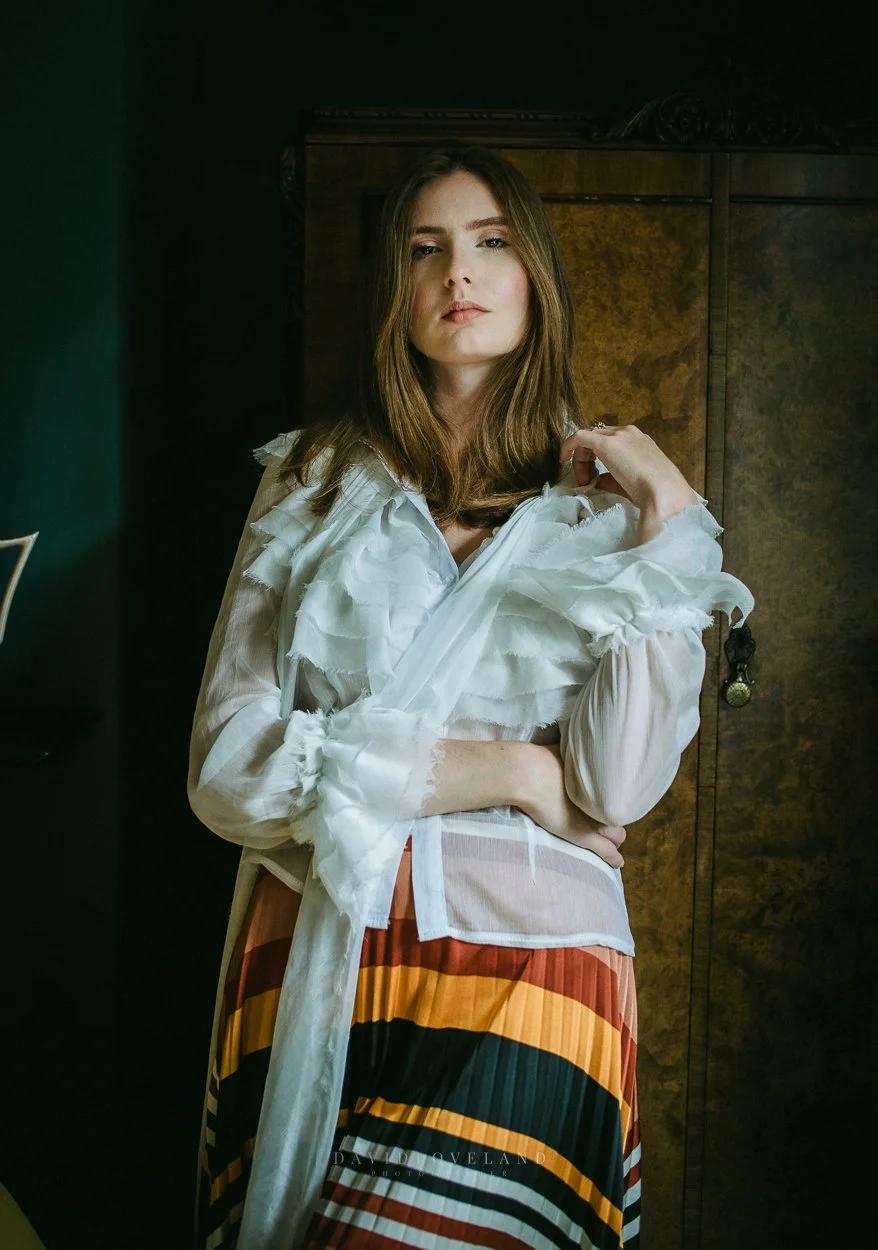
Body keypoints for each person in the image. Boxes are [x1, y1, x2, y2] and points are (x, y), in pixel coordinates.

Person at [188, 143, 753, 1250]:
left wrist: (671, 521)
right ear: (391, 291)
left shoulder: (606, 521)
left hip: (536, 966)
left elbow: (618, 785)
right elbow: (222, 770)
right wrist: (513, 771)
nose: (460, 272)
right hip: (315, 959)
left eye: (491, 243)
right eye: (426, 248)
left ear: (534, 276)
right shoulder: (306, 482)